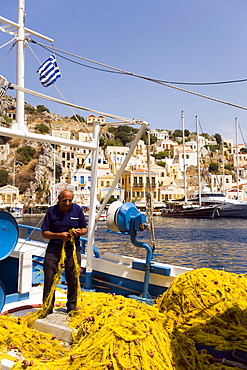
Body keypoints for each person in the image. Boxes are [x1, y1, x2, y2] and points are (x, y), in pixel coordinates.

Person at [41, 187, 88, 314]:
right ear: (59, 199)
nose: (67, 203)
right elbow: (44, 233)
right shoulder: (51, 212)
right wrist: (59, 236)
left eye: (70, 200)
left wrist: (80, 232)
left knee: (73, 278)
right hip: (54, 249)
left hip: (73, 250)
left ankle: (71, 307)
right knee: (50, 279)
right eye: (65, 200)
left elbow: (85, 228)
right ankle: (47, 307)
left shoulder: (77, 210)